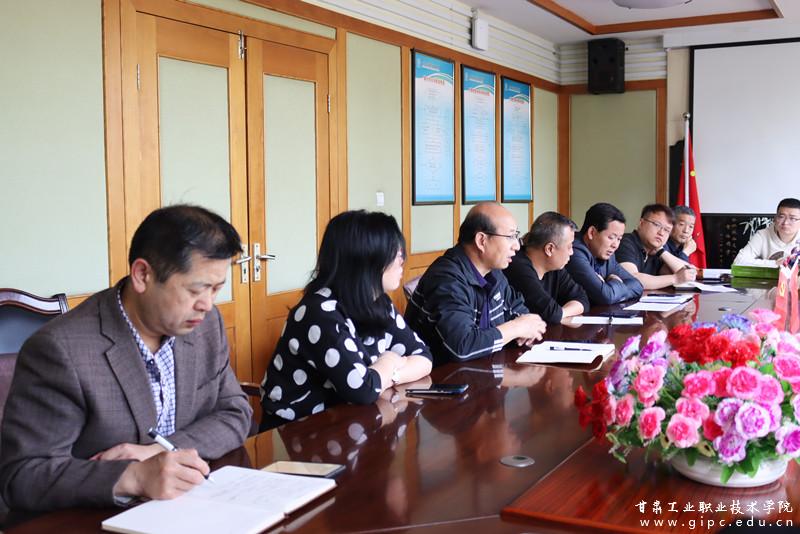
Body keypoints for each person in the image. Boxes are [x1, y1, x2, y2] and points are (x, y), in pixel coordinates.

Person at [0, 205, 252, 512]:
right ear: (143, 275)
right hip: (92, 517)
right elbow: (22, 476)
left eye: (216, 289)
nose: (207, 305)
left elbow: (235, 412)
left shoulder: (206, 326)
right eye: (197, 289)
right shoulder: (61, 350)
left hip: (189, 506)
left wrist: (158, 451)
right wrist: (132, 476)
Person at [259, 210, 432, 431]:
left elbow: (423, 357)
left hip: (353, 424)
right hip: (299, 432)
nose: (402, 260)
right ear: (365, 259)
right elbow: (362, 390)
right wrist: (390, 362)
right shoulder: (318, 313)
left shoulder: (379, 303)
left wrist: (390, 374)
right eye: (395, 253)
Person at [405, 202, 546, 366]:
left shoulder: (493, 272)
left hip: (482, 371)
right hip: (441, 377)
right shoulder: (446, 278)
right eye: (510, 237)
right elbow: (462, 345)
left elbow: (519, 310)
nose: (517, 245)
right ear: (481, 240)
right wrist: (516, 328)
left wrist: (526, 328)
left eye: (516, 236)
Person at [504, 211, 589, 324]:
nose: (572, 252)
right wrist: (558, 314)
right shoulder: (517, 267)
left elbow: (582, 298)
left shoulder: (554, 267)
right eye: (569, 247)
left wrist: (561, 314)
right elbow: (549, 313)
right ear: (549, 249)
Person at [565, 202, 643, 305]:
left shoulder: (607, 255)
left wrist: (609, 287)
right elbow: (606, 296)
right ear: (592, 232)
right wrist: (616, 281)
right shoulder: (574, 252)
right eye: (611, 237)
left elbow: (637, 286)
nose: (615, 245)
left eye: (619, 239)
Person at [616, 204, 697, 290]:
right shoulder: (625, 242)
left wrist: (661, 252)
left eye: (667, 230)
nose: (661, 233)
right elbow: (632, 279)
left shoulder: (656, 249)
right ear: (641, 223)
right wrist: (675, 278)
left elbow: (686, 274)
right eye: (657, 225)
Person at [733, 198, 800, 266]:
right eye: (781, 217)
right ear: (775, 218)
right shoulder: (763, 235)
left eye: (793, 219)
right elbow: (739, 261)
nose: (785, 223)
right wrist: (775, 263)